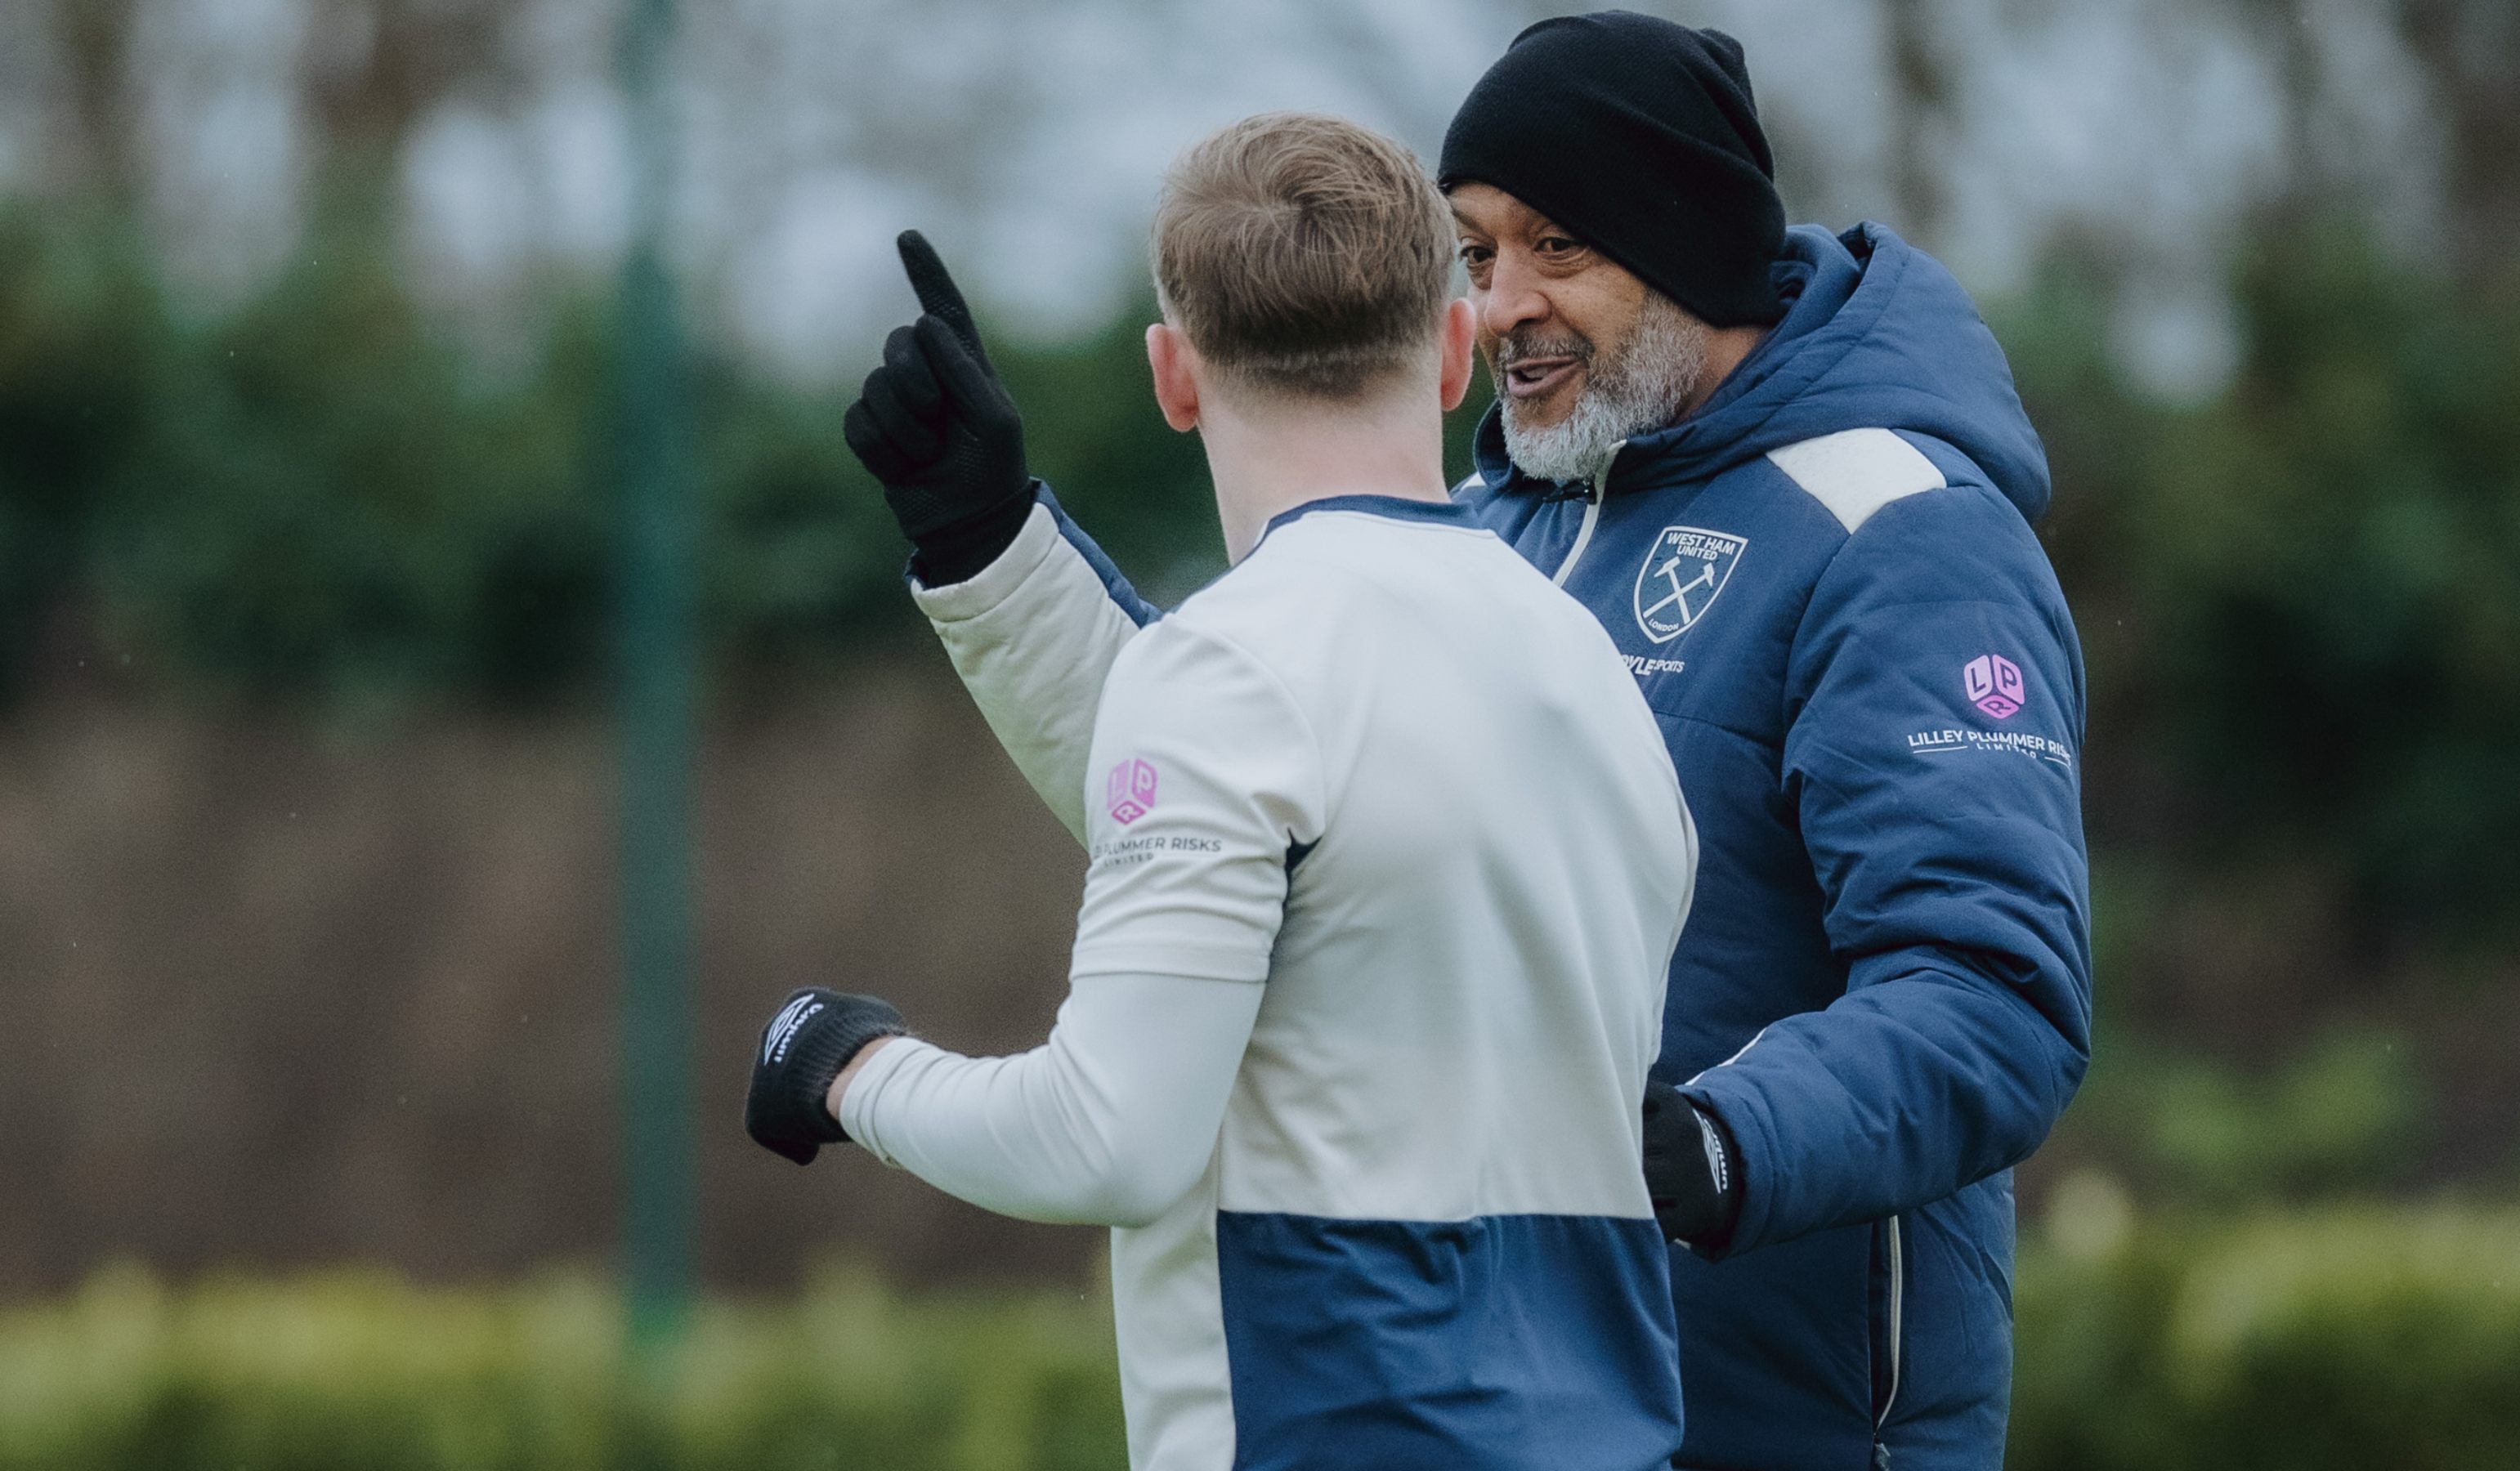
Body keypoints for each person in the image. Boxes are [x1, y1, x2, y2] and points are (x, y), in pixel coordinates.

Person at [837, 14, 2093, 1471]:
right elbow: (1212, 805)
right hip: (1521, 1420)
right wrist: (991, 549)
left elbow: (1994, 991)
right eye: (1478, 254)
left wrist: (1724, 1138)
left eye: (1559, 248)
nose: (1502, 307)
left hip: (1792, 1428)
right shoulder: (1498, 523)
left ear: (1689, 245)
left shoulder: (1899, 527)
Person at [747, 112, 1699, 1470]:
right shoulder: (1599, 673)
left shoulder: (1226, 668)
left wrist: (848, 1068)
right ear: (1447, 354)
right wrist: (987, 543)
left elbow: (1107, 1141)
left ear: (1173, 376)